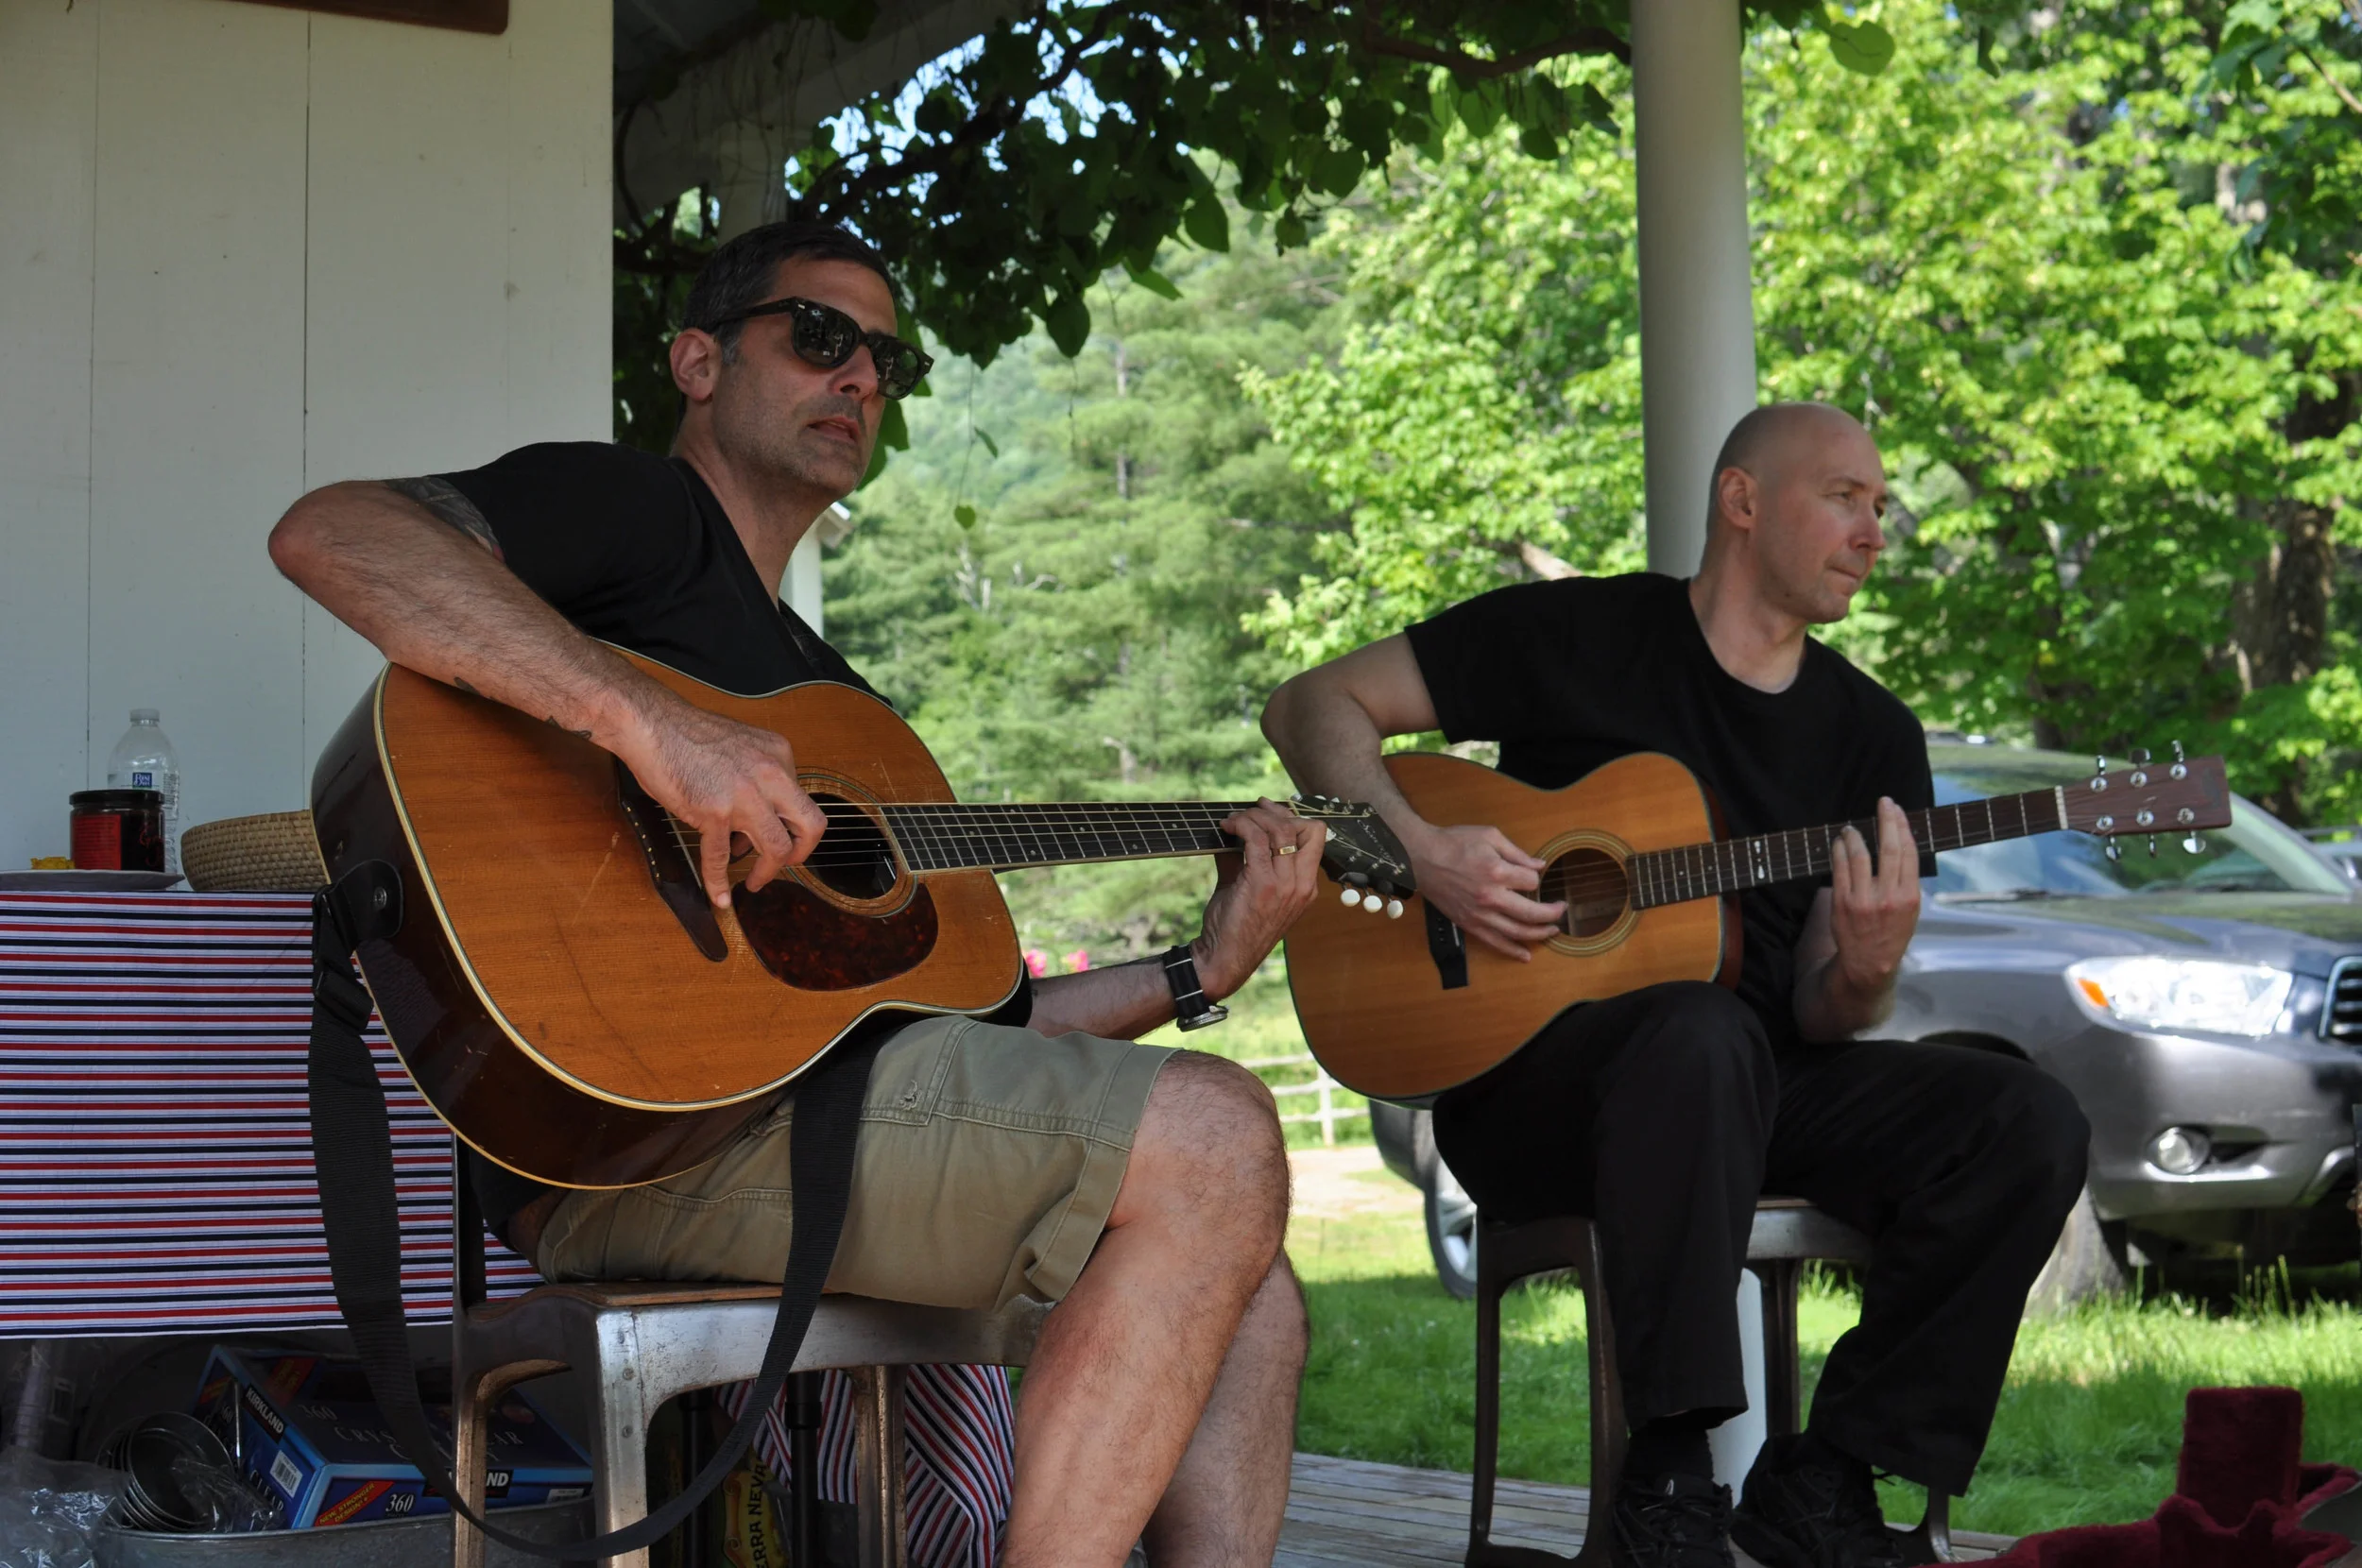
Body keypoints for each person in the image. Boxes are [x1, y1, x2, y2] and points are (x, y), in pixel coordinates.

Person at [269, 221, 1317, 1568]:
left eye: (887, 359)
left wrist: (1198, 972)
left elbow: (984, 1040)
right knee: (1220, 1135)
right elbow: (335, 533)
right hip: (632, 1138)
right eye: (820, 336)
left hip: (816, 1125)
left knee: (1253, 1270)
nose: (860, 376)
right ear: (698, 362)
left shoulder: (839, 714)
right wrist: (648, 724)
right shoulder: (638, 519)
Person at [1259, 403, 2089, 1568]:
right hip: (1535, 1092)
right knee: (1697, 1034)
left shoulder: (1870, 734)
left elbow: (1823, 1012)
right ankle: (1669, 1472)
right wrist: (1421, 850)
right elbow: (1307, 706)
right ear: (1741, 500)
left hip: (1749, 1084)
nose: (1873, 532)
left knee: (2024, 1119)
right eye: (1843, 498)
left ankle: (1827, 1476)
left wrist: (1866, 966)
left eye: (1880, 506)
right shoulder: (1578, 633)